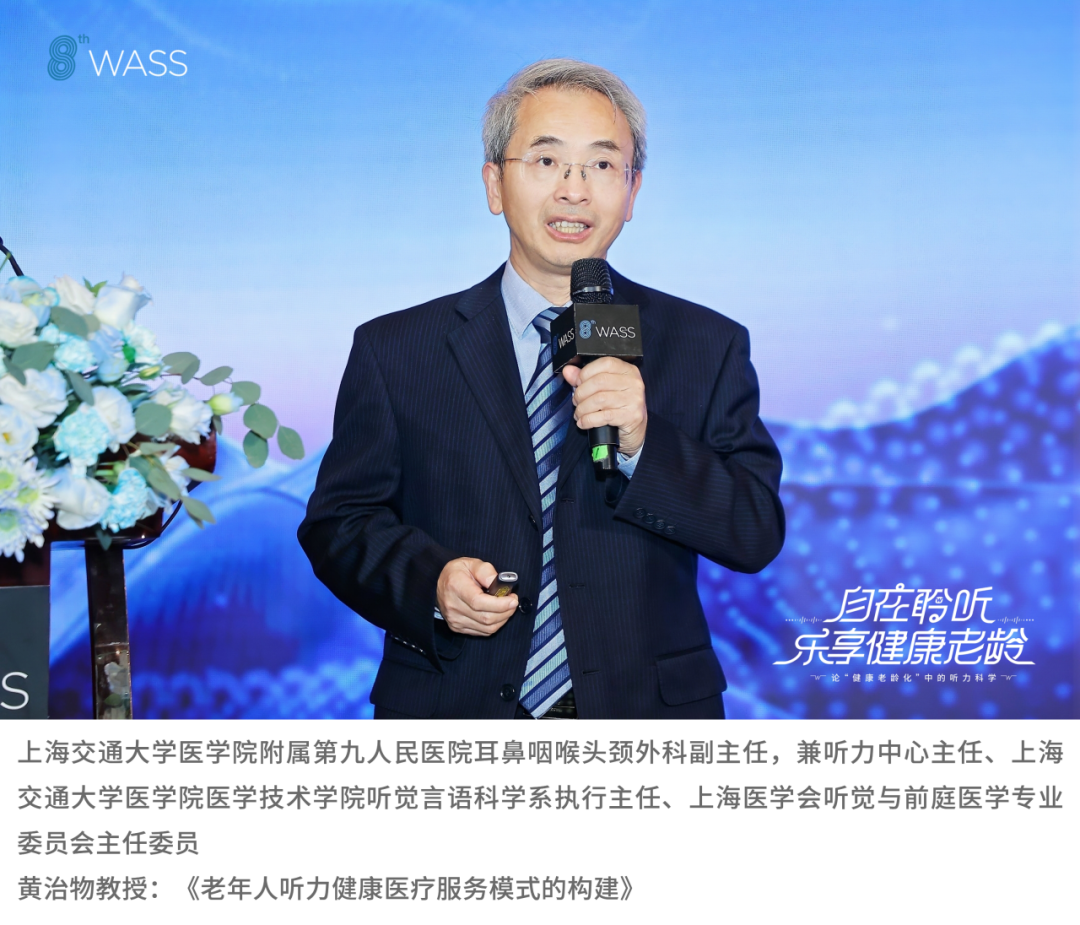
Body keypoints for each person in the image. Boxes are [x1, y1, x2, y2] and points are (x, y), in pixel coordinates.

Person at [298, 59, 784, 720]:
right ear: (494, 184)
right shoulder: (397, 349)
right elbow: (339, 524)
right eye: (547, 161)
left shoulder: (707, 344)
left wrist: (645, 444)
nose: (574, 190)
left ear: (633, 191)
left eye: (602, 165)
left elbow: (754, 529)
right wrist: (431, 585)